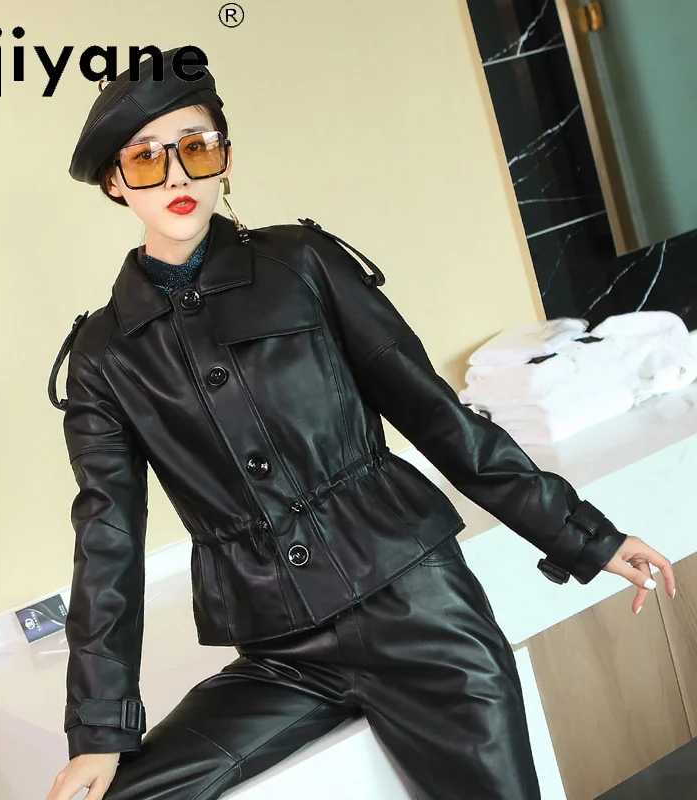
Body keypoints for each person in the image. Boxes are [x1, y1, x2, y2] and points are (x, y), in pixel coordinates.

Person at [44, 45, 676, 800]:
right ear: (115, 183)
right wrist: (98, 731)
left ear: (225, 158)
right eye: (146, 159)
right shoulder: (103, 355)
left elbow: (436, 415)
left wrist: (584, 535)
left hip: (419, 609)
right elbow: (108, 537)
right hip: (282, 652)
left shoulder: (301, 263)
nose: (177, 175)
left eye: (196, 148)